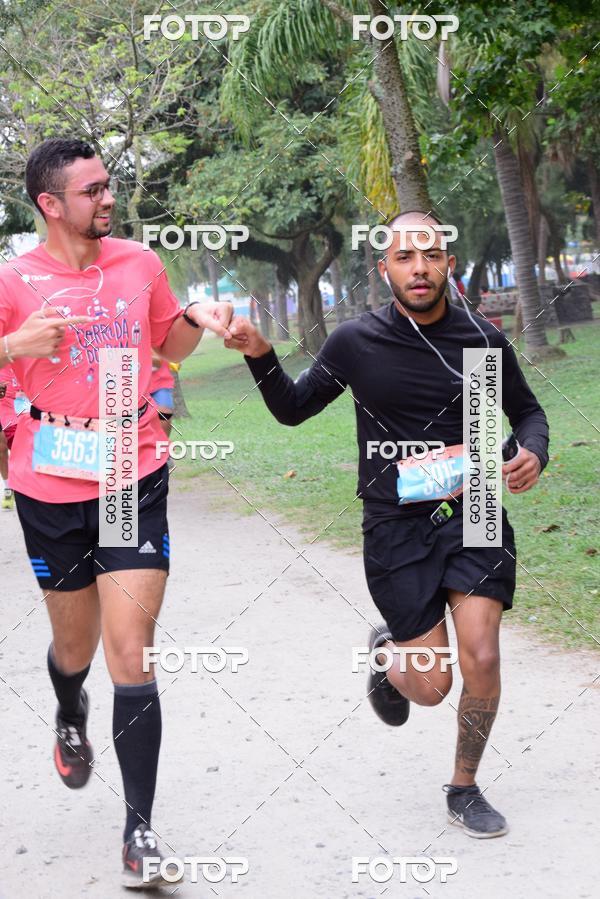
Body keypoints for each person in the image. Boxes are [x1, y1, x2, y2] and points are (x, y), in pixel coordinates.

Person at [224, 210, 549, 839]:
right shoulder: (356, 341)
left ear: (447, 263)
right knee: (431, 685)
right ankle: (386, 657)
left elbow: (528, 412)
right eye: (405, 257)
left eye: (430, 256)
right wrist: (262, 355)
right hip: (395, 523)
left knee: (481, 654)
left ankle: (464, 786)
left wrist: (533, 447)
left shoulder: (481, 340)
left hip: (475, 505)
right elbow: (292, 410)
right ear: (386, 269)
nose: (419, 268)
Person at [0, 137, 233, 888]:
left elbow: (169, 345)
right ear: (50, 204)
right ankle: (70, 706)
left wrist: (199, 317)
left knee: (131, 652)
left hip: (132, 468)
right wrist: (14, 344)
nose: (109, 199)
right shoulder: (11, 279)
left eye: (110, 186)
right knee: (76, 644)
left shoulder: (139, 263)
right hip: (47, 479)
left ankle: (140, 830)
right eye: (94, 190)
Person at [149, 351, 177, 438]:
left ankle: (162, 446)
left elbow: (158, 361)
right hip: (130, 385)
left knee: (164, 415)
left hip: (159, 382)